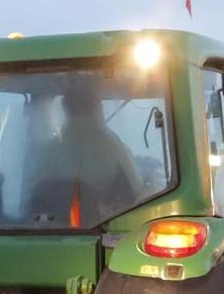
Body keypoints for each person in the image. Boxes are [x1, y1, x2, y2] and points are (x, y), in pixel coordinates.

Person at [26, 79, 147, 227]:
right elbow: (136, 194)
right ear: (97, 108)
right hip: (103, 229)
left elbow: (34, 195)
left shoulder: (50, 152)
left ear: (66, 110)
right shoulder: (114, 148)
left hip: (48, 232)